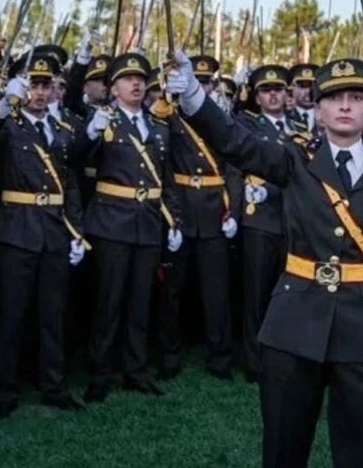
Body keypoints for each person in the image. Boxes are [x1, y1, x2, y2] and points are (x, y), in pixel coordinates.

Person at [166, 52, 363, 468]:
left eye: (356, 97)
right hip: (295, 320)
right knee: (283, 448)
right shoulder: (293, 158)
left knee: (362, 451)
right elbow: (236, 142)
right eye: (333, 98)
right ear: (318, 110)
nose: (344, 105)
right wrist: (194, 99)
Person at [0, 52, 87, 419]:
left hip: (54, 230)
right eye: (34, 85)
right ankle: (4, 390)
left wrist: (77, 230)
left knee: (52, 314)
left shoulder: (62, 132)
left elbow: (70, 183)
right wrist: (2, 101)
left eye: (46, 85)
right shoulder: (8, 125)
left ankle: (54, 386)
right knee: (11, 314)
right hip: (17, 228)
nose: (41, 93)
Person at [81, 52, 183, 403]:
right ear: (113, 88)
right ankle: (100, 373)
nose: (137, 84)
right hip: (111, 221)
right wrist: (91, 133)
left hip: (148, 223)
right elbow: (77, 160)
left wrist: (174, 219)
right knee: (108, 303)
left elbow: (166, 178)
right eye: (127, 79)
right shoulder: (103, 122)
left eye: (141, 79)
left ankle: (135, 371)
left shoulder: (158, 125)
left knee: (141, 303)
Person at [157, 55, 241, 381]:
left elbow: (233, 167)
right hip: (180, 208)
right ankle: (169, 354)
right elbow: (161, 167)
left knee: (216, 291)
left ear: (212, 86)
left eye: (207, 82)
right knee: (172, 291)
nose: (202, 86)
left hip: (213, 212)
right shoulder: (168, 116)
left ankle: (220, 357)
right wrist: (170, 215)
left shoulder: (218, 119)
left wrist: (233, 211)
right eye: (198, 81)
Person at [235, 64, 302, 383]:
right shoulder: (247, 125)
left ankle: (282, 356)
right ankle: (254, 360)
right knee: (256, 296)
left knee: (287, 295)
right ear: (256, 97)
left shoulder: (300, 124)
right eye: (266, 90)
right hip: (259, 218)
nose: (273, 95)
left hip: (290, 219)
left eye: (278, 89)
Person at [287, 63, 318, 132]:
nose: (307, 91)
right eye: (302, 86)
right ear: (293, 88)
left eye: (311, 86)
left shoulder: (326, 117)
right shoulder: (282, 117)